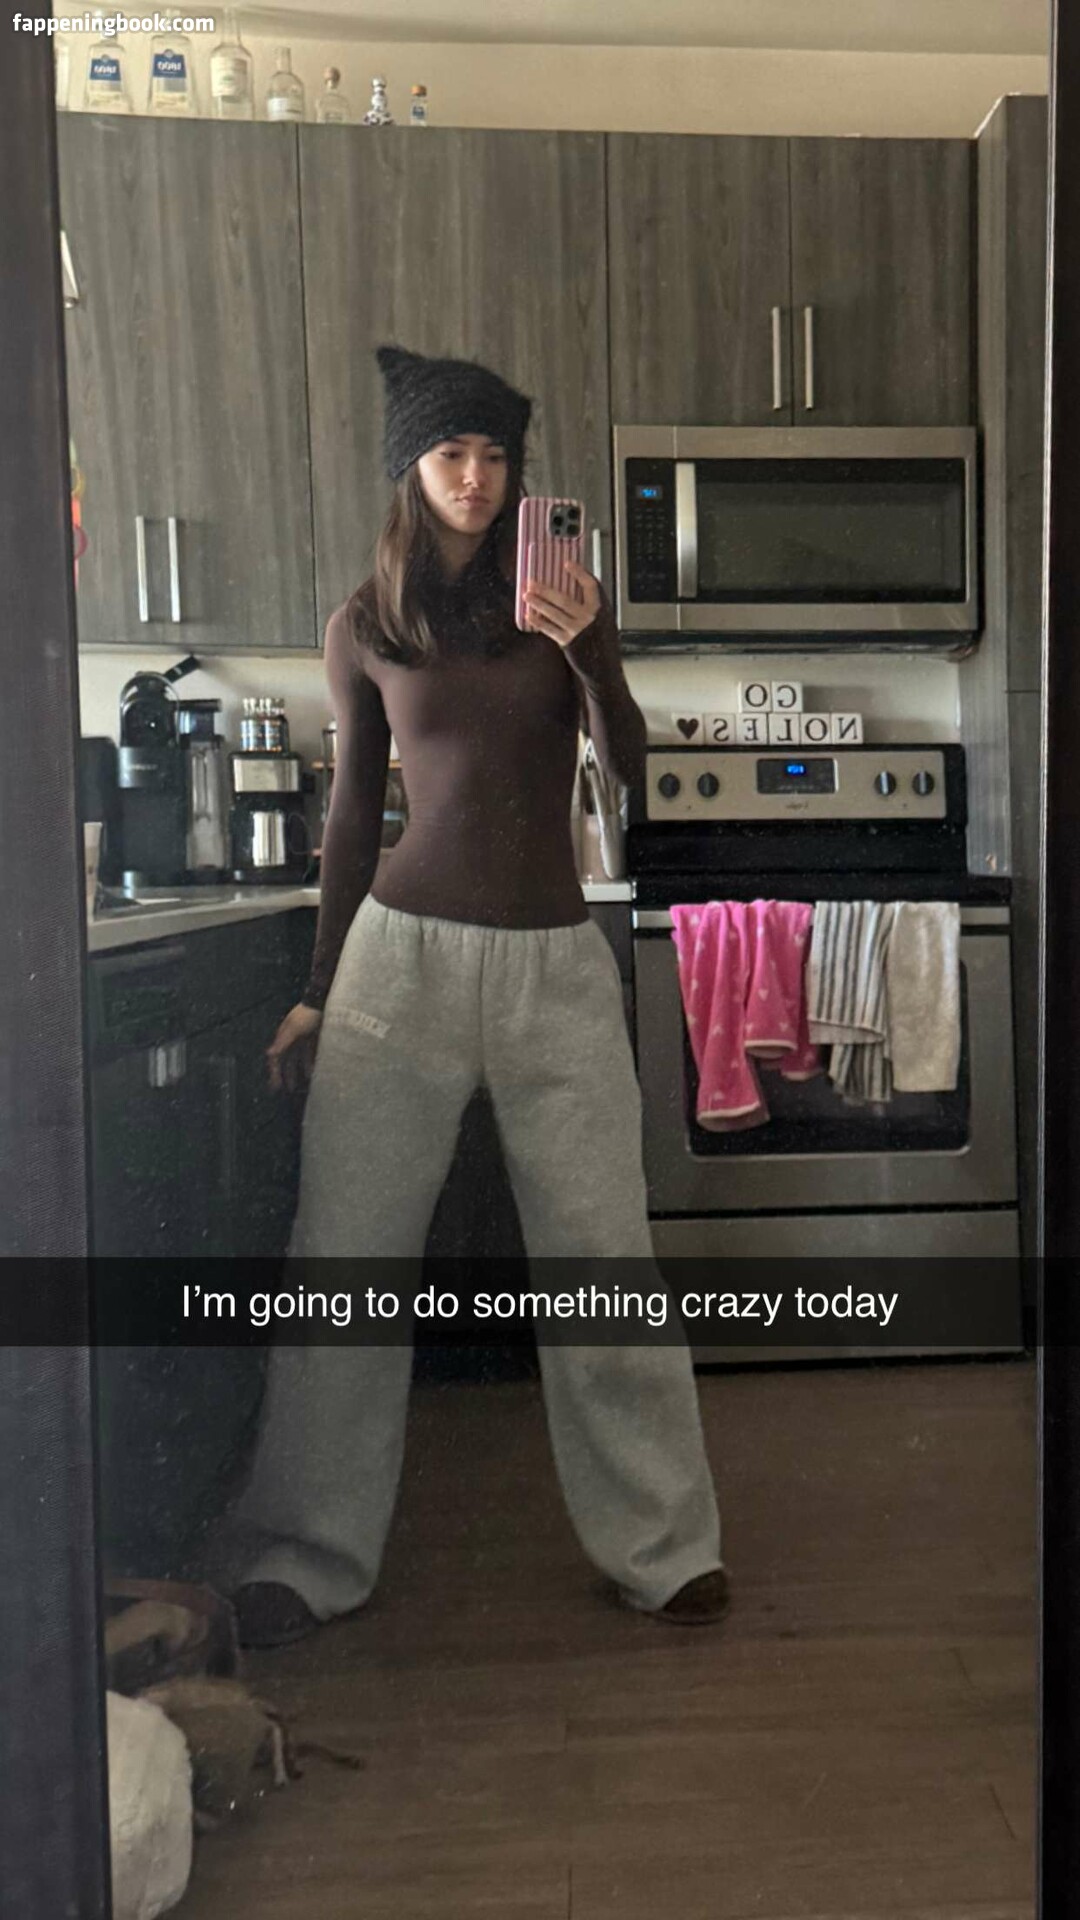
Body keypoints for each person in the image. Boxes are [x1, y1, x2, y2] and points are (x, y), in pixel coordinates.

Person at [230, 345, 727, 1646]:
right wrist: (318, 990)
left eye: (496, 454)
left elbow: (630, 766)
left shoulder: (558, 603)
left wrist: (593, 649)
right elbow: (353, 817)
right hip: (398, 965)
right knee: (344, 1257)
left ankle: (665, 1548)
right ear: (411, 467)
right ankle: (306, 1551)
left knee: (604, 1261)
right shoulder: (364, 625)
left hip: (557, 967)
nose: (475, 475)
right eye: (451, 452)